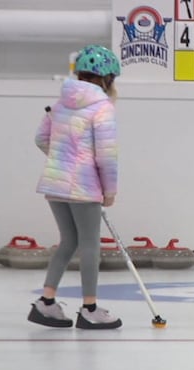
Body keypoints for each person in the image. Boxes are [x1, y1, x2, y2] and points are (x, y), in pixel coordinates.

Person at [27, 44, 123, 329]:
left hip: (56, 184)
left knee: (69, 241)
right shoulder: (102, 107)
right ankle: (90, 309)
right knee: (90, 245)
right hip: (84, 187)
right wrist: (109, 191)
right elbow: (107, 155)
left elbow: (41, 138)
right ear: (108, 79)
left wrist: (61, 162)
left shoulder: (60, 103)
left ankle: (45, 303)